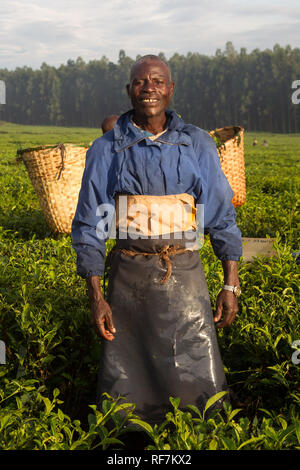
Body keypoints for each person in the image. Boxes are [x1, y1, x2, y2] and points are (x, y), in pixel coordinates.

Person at [72, 55, 242, 428]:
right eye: (139, 81)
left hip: (185, 274)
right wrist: (97, 296)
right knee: (126, 374)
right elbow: (89, 226)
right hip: (127, 279)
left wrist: (230, 283)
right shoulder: (105, 149)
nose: (148, 87)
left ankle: (197, 433)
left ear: (170, 89)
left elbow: (221, 216)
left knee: (195, 367)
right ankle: (129, 437)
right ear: (129, 90)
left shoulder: (197, 143)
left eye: (157, 81)